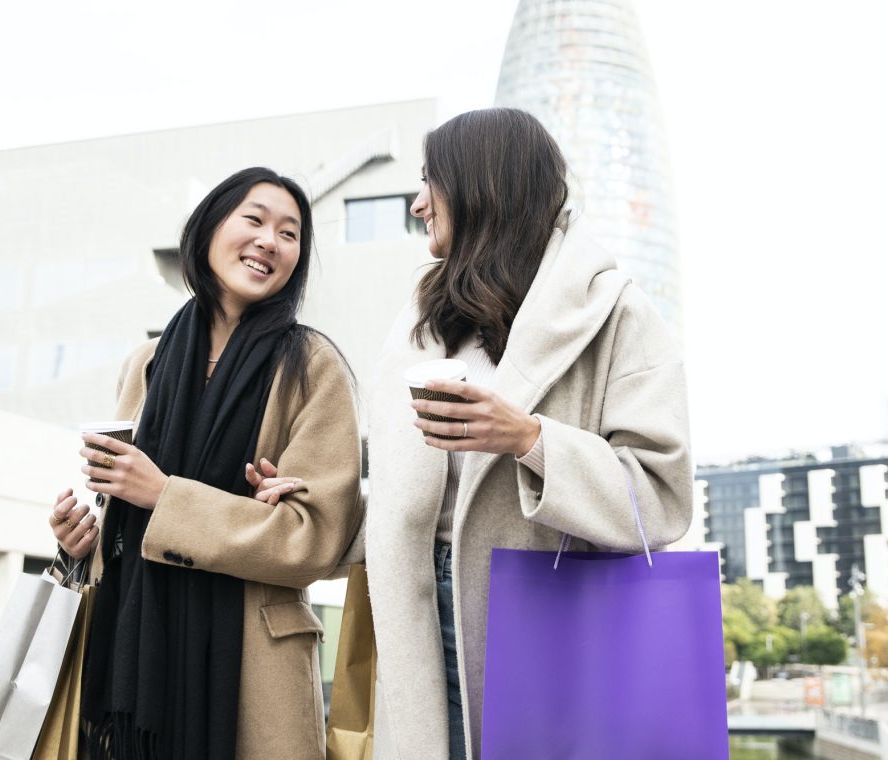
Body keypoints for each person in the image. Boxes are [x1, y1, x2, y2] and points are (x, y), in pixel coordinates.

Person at [259, 108, 693, 759]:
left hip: (552, 627)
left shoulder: (613, 310)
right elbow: (425, 506)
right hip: (417, 625)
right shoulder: (423, 318)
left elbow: (662, 497)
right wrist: (321, 506)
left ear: (480, 184)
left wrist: (529, 439)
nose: (415, 204)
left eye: (429, 182)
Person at [48, 166, 363, 760]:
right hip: (130, 669)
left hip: (252, 674)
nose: (271, 241)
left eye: (291, 233)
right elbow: (125, 526)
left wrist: (166, 496)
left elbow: (313, 541)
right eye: (255, 219)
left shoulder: (312, 367)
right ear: (209, 229)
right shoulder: (146, 364)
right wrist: (80, 545)